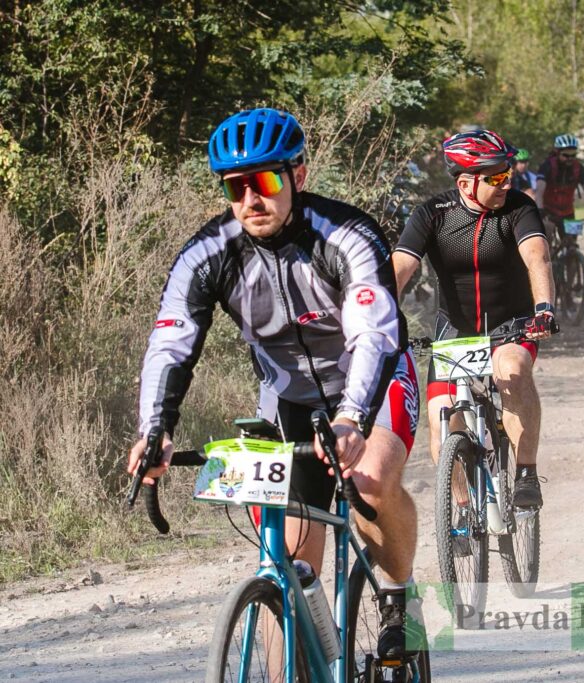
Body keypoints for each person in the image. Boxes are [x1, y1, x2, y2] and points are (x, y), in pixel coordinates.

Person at [126, 108, 421, 659]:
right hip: (288, 398)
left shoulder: (347, 234)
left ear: (298, 177)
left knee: (372, 477)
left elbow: (372, 336)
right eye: (236, 187)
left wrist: (351, 418)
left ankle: (397, 599)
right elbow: (171, 344)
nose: (250, 201)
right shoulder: (208, 254)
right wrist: (156, 429)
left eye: (263, 182)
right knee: (285, 564)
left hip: (371, 384)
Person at [393, 129, 556, 509]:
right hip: (455, 330)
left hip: (512, 323)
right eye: (496, 177)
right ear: (466, 183)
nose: (506, 183)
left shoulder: (519, 208)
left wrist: (544, 308)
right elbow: (400, 267)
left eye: (508, 174)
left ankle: (526, 473)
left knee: (512, 368)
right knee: (439, 421)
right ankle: (463, 512)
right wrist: (374, 318)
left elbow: (537, 257)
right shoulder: (432, 215)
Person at [535, 134, 584, 241]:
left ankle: (573, 256)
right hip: (548, 212)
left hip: (568, 213)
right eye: (566, 155)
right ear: (557, 153)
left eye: (573, 155)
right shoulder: (547, 166)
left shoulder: (579, 168)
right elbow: (539, 191)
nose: (570, 158)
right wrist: (540, 210)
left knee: (572, 244)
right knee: (547, 235)